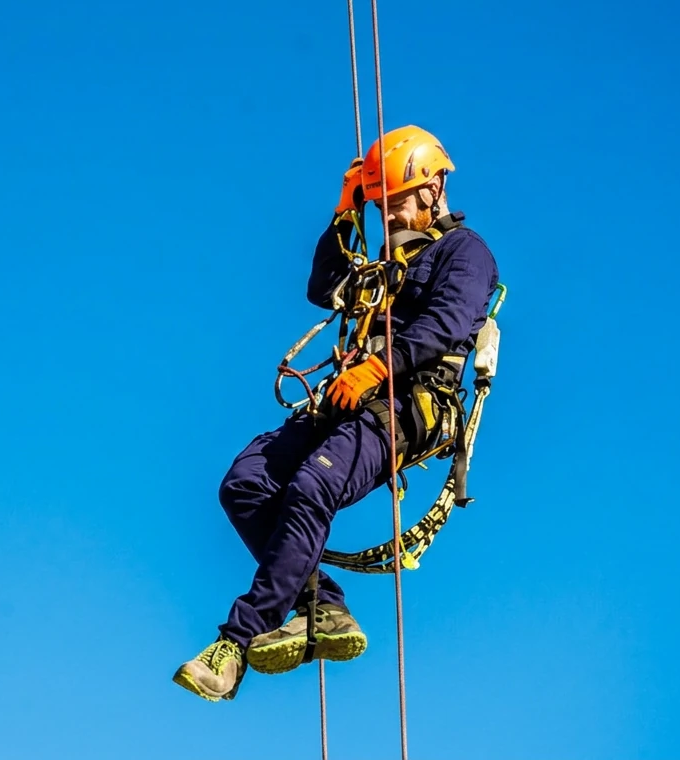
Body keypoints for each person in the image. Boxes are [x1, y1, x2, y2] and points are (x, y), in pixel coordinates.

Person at [172, 125, 500, 702]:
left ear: (433, 188)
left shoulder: (464, 252)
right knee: (245, 484)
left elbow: (447, 323)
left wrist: (377, 369)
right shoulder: (385, 263)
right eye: (381, 204)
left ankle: (236, 642)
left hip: (406, 406)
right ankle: (323, 604)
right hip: (347, 399)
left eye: (397, 201)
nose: (388, 215)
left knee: (311, 486)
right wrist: (345, 210)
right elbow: (324, 288)